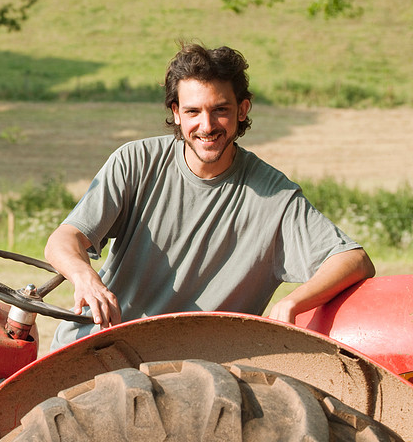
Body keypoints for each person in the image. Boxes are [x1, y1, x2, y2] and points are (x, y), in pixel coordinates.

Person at [45, 42, 374, 350]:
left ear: (242, 110)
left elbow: (352, 259)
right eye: (192, 111)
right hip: (93, 348)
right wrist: (86, 278)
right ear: (176, 112)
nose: (206, 125)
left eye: (220, 110)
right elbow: (64, 239)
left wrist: (292, 303)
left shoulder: (274, 197)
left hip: (194, 377)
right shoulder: (135, 162)